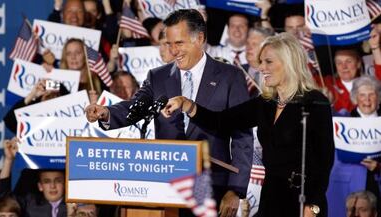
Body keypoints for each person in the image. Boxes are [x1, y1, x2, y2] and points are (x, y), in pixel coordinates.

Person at [85, 9, 253, 217]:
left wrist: (235, 189)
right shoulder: (158, 76)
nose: (173, 51)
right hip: (167, 187)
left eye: (179, 43)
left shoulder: (230, 77)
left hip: (213, 187)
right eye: (169, 43)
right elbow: (136, 107)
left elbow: (242, 138)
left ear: (199, 38)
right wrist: (106, 113)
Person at [161, 33, 334, 217]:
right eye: (261, 61)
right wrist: (186, 104)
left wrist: (313, 205)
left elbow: (324, 160)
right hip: (271, 198)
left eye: (268, 62)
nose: (261, 68)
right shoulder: (265, 103)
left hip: (302, 201)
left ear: (288, 63)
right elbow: (220, 121)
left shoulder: (315, 102)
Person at [327, 76, 381, 217]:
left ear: (379, 97)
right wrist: (328, 103)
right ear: (355, 99)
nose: (367, 100)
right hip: (348, 188)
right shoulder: (344, 118)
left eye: (371, 95)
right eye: (362, 95)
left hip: (377, 187)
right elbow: (328, 116)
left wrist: (379, 167)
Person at [0, 138, 66, 217]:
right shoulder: (30, 204)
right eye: (47, 181)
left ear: (65, 184)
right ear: (40, 186)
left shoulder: (74, 206)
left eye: (58, 181)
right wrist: (9, 159)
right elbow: (2, 199)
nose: (52, 186)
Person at [324, 48, 362, 114]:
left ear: (358, 64)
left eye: (348, 61)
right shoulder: (328, 83)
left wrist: (375, 48)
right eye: (339, 63)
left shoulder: (368, 85)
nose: (344, 66)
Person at [244, 27, 275, 98]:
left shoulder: (277, 74)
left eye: (254, 44)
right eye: (248, 43)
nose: (249, 48)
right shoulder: (238, 71)